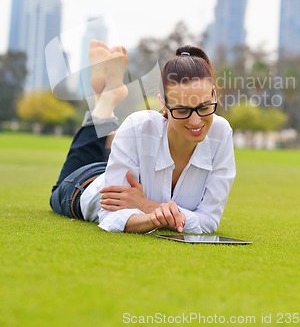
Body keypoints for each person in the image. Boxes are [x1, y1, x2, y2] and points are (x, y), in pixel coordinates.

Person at [50, 39, 236, 234]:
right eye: (182, 110)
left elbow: (209, 221)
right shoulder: (138, 126)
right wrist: (158, 217)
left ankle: (105, 96)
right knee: (57, 190)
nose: (197, 121)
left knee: (130, 144)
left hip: (122, 168)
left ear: (214, 94)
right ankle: (106, 100)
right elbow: (110, 216)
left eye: (205, 107)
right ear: (163, 104)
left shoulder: (221, 133)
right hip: (84, 185)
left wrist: (147, 206)